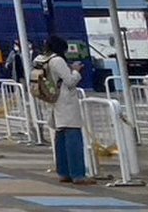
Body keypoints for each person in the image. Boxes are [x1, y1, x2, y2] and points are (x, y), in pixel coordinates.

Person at [38, 35, 88, 184]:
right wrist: (76, 70)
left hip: (52, 100)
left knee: (60, 137)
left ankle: (63, 172)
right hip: (65, 101)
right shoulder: (58, 61)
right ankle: (78, 174)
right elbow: (70, 81)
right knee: (73, 137)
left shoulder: (41, 59)